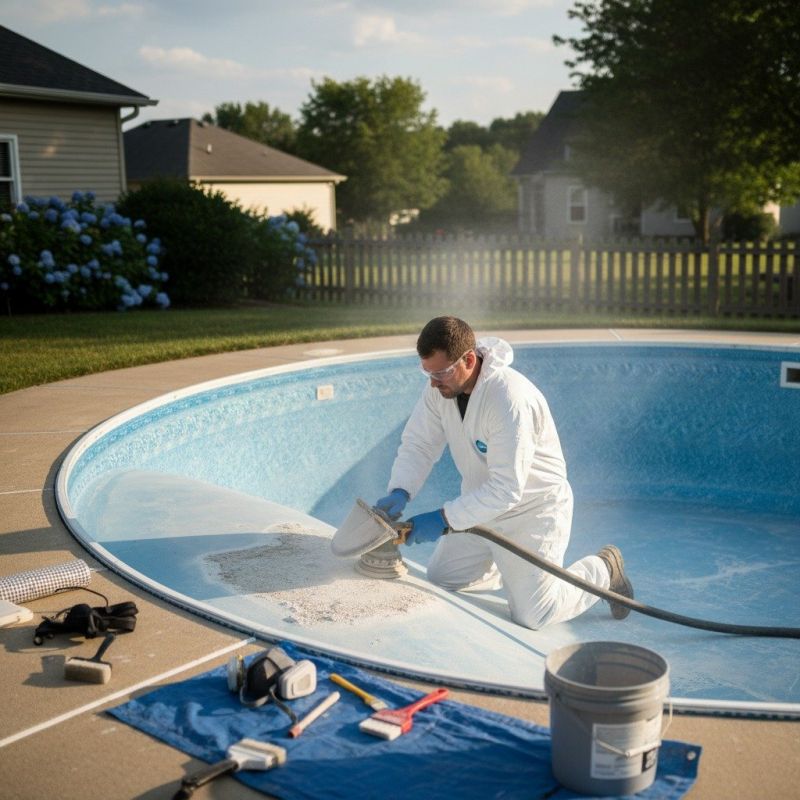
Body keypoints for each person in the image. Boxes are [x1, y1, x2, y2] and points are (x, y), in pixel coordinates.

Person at [374, 316, 633, 630]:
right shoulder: (440, 390)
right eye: (426, 372)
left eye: (439, 373)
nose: (432, 382)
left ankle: (604, 569)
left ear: (468, 360)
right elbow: (419, 443)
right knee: (442, 578)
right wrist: (400, 489)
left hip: (532, 511)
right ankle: (503, 563)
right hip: (479, 505)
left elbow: (507, 490)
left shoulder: (509, 399)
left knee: (534, 614)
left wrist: (442, 520)